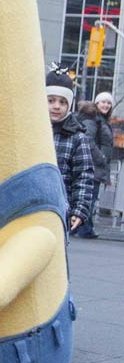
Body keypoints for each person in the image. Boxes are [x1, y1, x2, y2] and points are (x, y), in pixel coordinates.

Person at [46, 70, 94, 233]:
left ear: (69, 105)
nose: (56, 106)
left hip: (60, 209)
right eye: (51, 100)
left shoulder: (77, 138)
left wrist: (79, 209)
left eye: (63, 102)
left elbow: (83, 176)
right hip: (28, 208)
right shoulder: (30, 131)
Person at [74, 99, 113, 238]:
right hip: (92, 165)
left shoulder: (100, 119)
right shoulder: (93, 119)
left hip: (95, 165)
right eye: (103, 102)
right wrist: (100, 157)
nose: (106, 105)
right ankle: (83, 228)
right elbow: (87, 139)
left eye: (109, 103)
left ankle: (84, 227)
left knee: (88, 197)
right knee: (89, 197)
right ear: (96, 103)